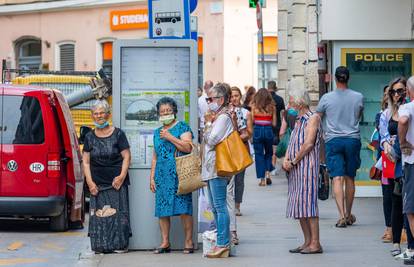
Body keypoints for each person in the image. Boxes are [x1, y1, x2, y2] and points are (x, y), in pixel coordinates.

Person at [316, 66, 363, 228]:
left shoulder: (326, 98)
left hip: (333, 140)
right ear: (348, 78)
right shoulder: (358, 97)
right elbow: (359, 115)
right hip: (352, 139)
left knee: (337, 177)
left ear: (335, 79)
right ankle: (349, 214)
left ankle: (341, 215)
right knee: (350, 177)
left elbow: (318, 117)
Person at [83, 100, 132, 254]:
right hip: (97, 184)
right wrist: (90, 183)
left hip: (116, 182)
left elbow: (127, 156)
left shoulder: (118, 134)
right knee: (99, 215)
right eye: (96, 114)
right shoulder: (89, 137)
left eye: (102, 113)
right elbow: (85, 162)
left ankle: (119, 245)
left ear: (108, 114)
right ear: (92, 116)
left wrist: (121, 176)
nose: (99, 116)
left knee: (119, 214)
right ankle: (100, 245)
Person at [150, 97, 194, 254]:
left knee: (184, 208)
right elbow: (155, 156)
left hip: (180, 174)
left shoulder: (182, 127)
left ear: (174, 111)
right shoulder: (157, 132)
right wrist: (152, 177)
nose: (165, 113)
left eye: (168, 110)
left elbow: (188, 147)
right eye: (162, 111)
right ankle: (165, 242)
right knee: (162, 209)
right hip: (162, 175)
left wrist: (169, 137)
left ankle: (188, 241)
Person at [283, 89, 323, 254]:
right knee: (299, 205)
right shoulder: (298, 120)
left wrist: (294, 161)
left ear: (300, 102)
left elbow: (308, 144)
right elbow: (292, 142)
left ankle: (315, 243)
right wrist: (286, 159)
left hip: (307, 167)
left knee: (309, 205)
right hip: (296, 170)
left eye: (291, 101)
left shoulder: (312, 118)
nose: (289, 105)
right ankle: (307, 241)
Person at [202, 83, 234, 258]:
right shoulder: (218, 117)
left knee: (220, 207)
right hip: (211, 167)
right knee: (215, 208)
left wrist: (207, 124)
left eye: (211, 99)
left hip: (217, 168)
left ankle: (223, 243)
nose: (208, 102)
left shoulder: (223, 118)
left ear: (221, 100)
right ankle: (221, 242)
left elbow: (212, 139)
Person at [379, 77, 407, 255]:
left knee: (408, 203)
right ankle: (396, 242)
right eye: (393, 92)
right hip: (392, 162)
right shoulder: (387, 114)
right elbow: (382, 135)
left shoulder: (409, 110)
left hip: (408, 159)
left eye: (400, 91)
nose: (397, 95)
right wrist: (386, 145)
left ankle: (408, 240)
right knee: (395, 200)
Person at [398, 76, 414, 265]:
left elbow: (402, 121)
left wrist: (403, 142)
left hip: (412, 163)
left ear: (409, 91)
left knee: (410, 209)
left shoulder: (407, 107)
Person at [251, 88, 276, 186]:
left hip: (257, 130)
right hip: (268, 130)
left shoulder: (254, 107)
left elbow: (252, 121)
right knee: (269, 153)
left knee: (259, 155)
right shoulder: (272, 107)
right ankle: (268, 174)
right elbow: (274, 123)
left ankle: (262, 180)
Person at [267, 81, 286, 176]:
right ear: (276, 88)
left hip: (265, 124)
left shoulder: (265, 99)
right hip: (277, 125)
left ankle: (268, 167)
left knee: (267, 146)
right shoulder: (279, 99)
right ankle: (273, 167)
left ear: (267, 87)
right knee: (274, 146)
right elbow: (283, 113)